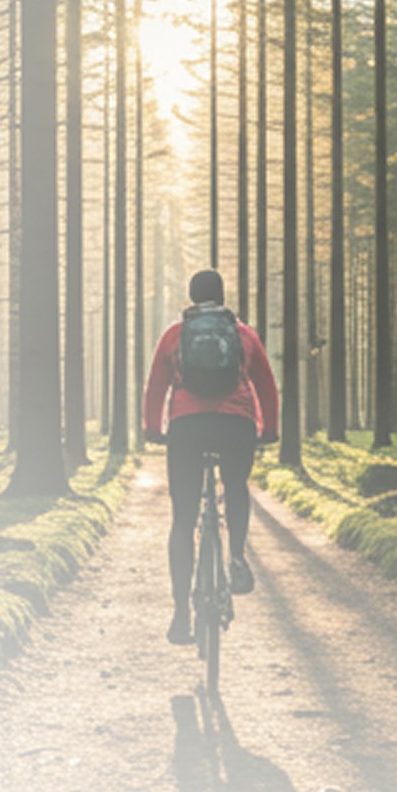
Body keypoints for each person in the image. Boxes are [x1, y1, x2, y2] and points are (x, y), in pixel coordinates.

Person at [143, 269, 279, 644]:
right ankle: (236, 557)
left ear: (191, 296)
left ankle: (180, 615)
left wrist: (152, 428)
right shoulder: (243, 334)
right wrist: (269, 429)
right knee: (236, 485)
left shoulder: (175, 335)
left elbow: (156, 384)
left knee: (182, 520)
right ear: (222, 296)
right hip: (236, 425)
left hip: (187, 428)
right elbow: (266, 383)